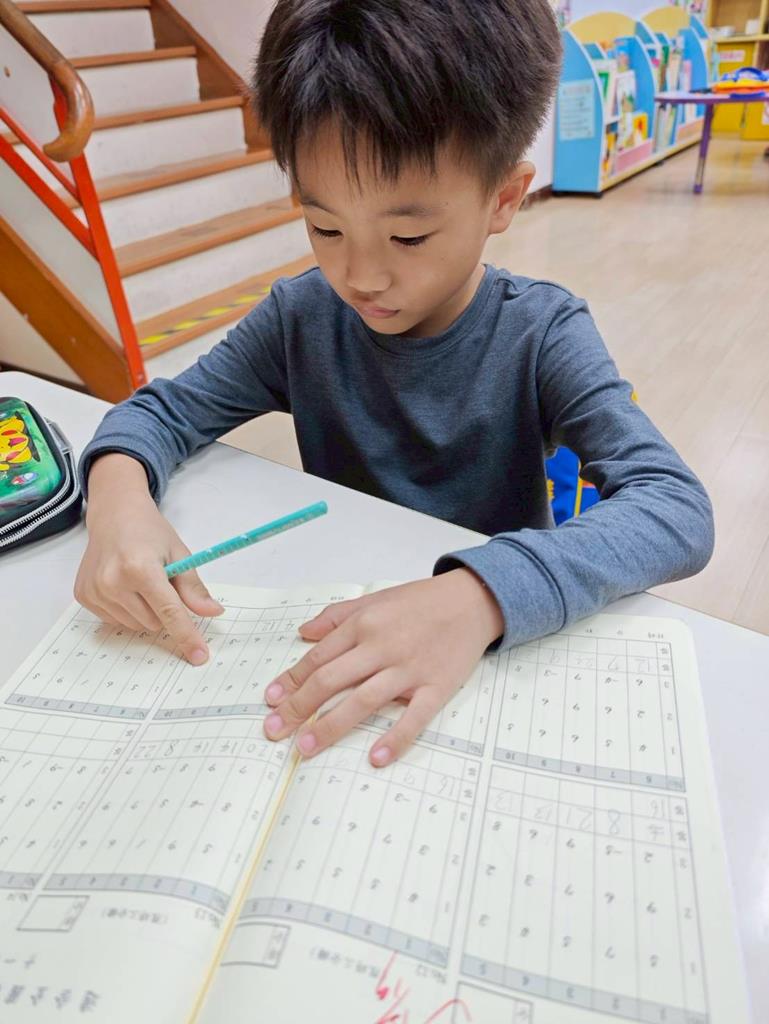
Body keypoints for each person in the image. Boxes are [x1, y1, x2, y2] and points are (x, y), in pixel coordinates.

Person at [75, 0, 714, 768]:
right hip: (339, 621)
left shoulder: (542, 332)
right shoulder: (301, 317)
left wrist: (479, 594)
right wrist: (117, 501)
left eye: (407, 235)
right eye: (325, 227)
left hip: (489, 649)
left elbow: (673, 507)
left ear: (503, 198)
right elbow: (162, 411)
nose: (359, 275)